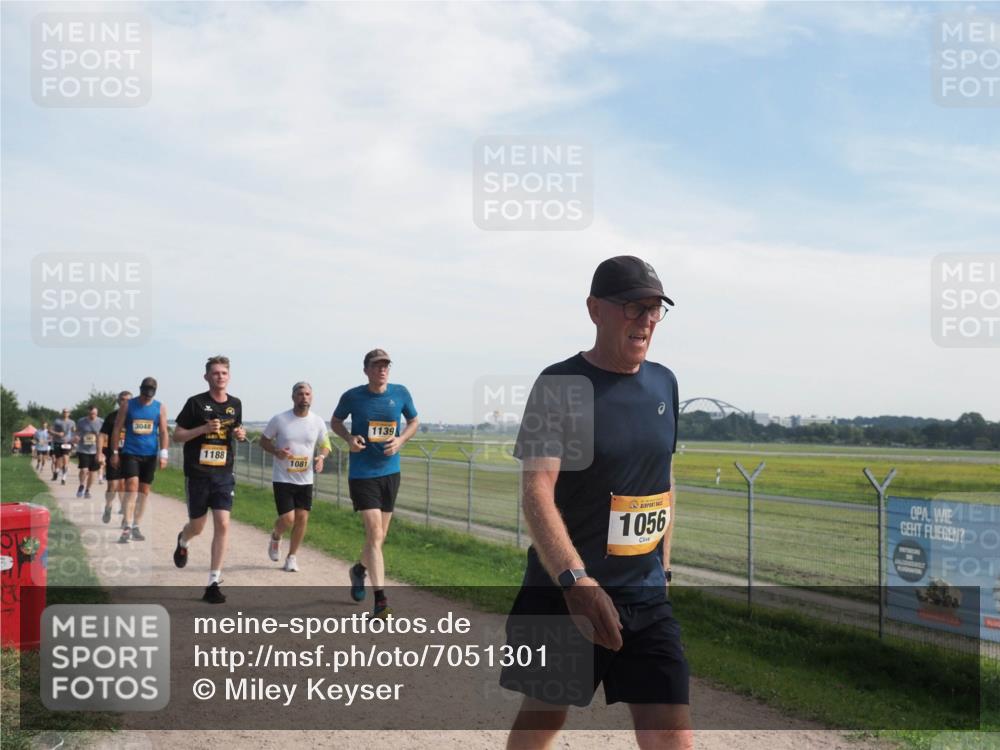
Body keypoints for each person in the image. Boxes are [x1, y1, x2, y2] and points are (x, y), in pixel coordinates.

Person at [501, 256, 691, 750]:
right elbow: (536, 489)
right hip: (563, 595)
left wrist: (663, 572)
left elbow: (662, 479)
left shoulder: (665, 384)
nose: (647, 320)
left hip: (645, 597)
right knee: (543, 719)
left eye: (655, 309)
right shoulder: (559, 386)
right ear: (595, 310)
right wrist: (574, 579)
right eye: (634, 307)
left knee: (672, 733)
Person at [330, 349, 418, 618]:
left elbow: (414, 420)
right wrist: (348, 438)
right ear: (366, 369)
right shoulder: (352, 396)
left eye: (386, 366)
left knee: (379, 538)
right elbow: (335, 421)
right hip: (362, 473)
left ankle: (358, 570)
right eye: (376, 365)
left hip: (390, 472)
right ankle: (381, 602)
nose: (382, 370)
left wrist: (400, 440)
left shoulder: (400, 392)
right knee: (375, 534)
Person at [171, 355, 246, 604]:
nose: (220, 377)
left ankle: (213, 582)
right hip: (198, 474)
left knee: (223, 524)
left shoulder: (235, 404)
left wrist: (240, 433)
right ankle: (183, 540)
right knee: (198, 527)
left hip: (224, 473)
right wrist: (202, 430)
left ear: (229, 376)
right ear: (207, 377)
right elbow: (177, 435)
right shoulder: (195, 403)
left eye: (224, 373)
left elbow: (236, 430)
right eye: (215, 373)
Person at [260, 382, 332, 572]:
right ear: (293, 397)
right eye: (300, 394)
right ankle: (276, 536)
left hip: (305, 478)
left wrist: (321, 457)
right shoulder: (280, 419)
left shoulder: (317, 422)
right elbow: (263, 441)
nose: (304, 397)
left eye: (308, 394)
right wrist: (276, 451)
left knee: (302, 518)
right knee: (288, 519)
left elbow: (326, 444)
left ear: (312, 397)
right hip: (283, 477)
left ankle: (292, 557)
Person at [111, 378, 170, 543]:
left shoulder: (159, 407)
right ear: (140, 389)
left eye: (150, 392)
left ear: (155, 391)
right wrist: (115, 452)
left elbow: (164, 431)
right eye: (145, 392)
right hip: (130, 452)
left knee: (144, 491)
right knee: (131, 486)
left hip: (150, 454)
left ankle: (136, 525)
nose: (147, 395)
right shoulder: (128, 405)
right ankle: (127, 525)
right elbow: (117, 428)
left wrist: (163, 453)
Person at [98, 391, 131, 524]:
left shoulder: (135, 417)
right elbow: (101, 435)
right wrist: (99, 452)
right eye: (122, 400)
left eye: (127, 400)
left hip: (129, 455)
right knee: (112, 485)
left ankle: (125, 516)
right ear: (118, 401)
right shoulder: (111, 417)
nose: (124, 402)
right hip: (113, 455)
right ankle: (108, 506)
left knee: (125, 485)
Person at [74, 406, 104, 499]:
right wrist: (76, 437)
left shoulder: (101, 422)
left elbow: (103, 436)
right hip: (83, 449)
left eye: (94, 414)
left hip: (96, 450)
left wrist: (101, 451)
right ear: (88, 413)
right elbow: (77, 432)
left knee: (93, 472)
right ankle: (81, 485)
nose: (92, 415)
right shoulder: (81, 421)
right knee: (84, 470)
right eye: (91, 414)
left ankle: (87, 490)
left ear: (97, 413)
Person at [50, 408, 75, 484]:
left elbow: (75, 431)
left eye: (67, 412)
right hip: (58, 442)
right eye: (64, 412)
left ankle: (64, 478)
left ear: (69, 413)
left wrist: (75, 437)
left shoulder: (72, 422)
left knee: (66, 459)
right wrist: (57, 434)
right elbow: (50, 430)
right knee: (58, 461)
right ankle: (56, 471)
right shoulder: (57, 421)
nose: (65, 413)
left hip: (67, 443)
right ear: (62, 413)